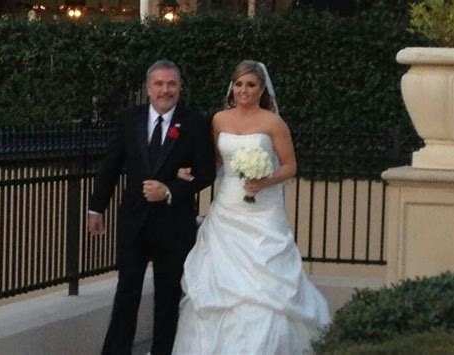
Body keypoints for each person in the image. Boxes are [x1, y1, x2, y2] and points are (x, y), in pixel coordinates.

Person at [172, 60, 330, 354]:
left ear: (262, 89)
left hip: (263, 211)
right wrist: (186, 171)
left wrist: (265, 180)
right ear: (232, 88)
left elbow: (290, 166)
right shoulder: (219, 120)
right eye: (239, 84)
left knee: (265, 282)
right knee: (220, 279)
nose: (244, 90)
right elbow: (214, 164)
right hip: (228, 208)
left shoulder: (273, 123)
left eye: (251, 85)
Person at [87, 59, 216, 355]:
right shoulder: (128, 119)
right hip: (134, 222)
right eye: (158, 84)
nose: (165, 90)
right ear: (148, 89)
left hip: (174, 225)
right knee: (126, 293)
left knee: (169, 296)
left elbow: (206, 172)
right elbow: (111, 165)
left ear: (180, 88)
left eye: (171, 84)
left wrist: (170, 189)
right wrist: (96, 208)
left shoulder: (195, 123)